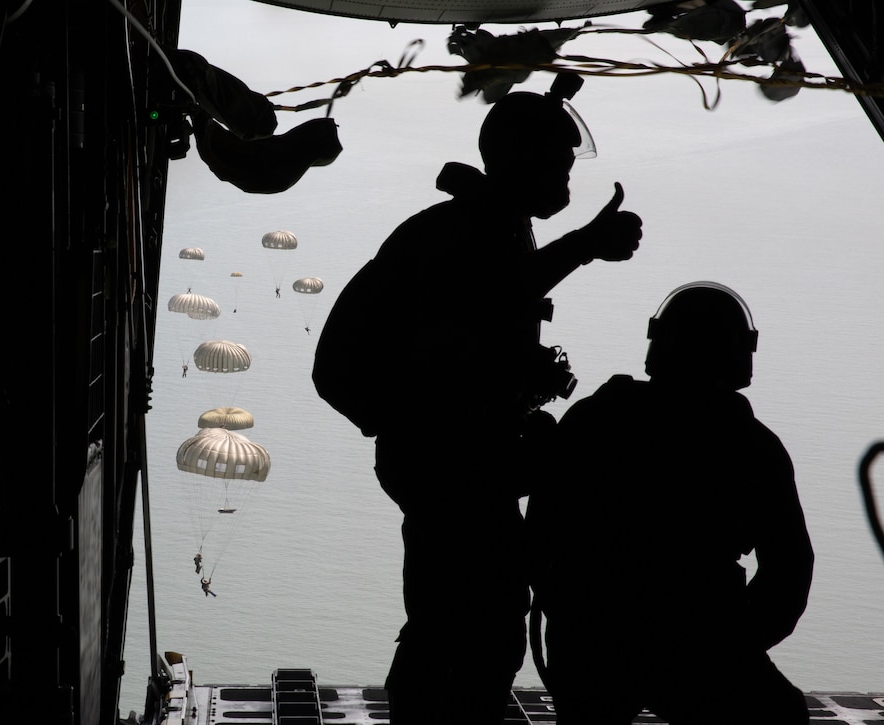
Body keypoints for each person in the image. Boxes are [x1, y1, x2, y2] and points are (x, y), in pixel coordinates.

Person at [314, 73, 642, 725]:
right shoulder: (468, 231)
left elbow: (479, 332)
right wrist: (585, 246)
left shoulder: (487, 227)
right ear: (525, 160)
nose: (568, 179)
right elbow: (492, 296)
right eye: (560, 162)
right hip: (444, 463)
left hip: (450, 458)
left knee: (471, 619)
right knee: (466, 625)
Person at [526, 281, 814, 725]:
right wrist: (731, 643)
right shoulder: (753, 446)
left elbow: (541, 530)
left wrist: (570, 611)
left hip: (592, 638)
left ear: (658, 342)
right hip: (699, 642)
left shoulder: (594, 418)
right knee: (781, 717)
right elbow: (789, 574)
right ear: (739, 353)